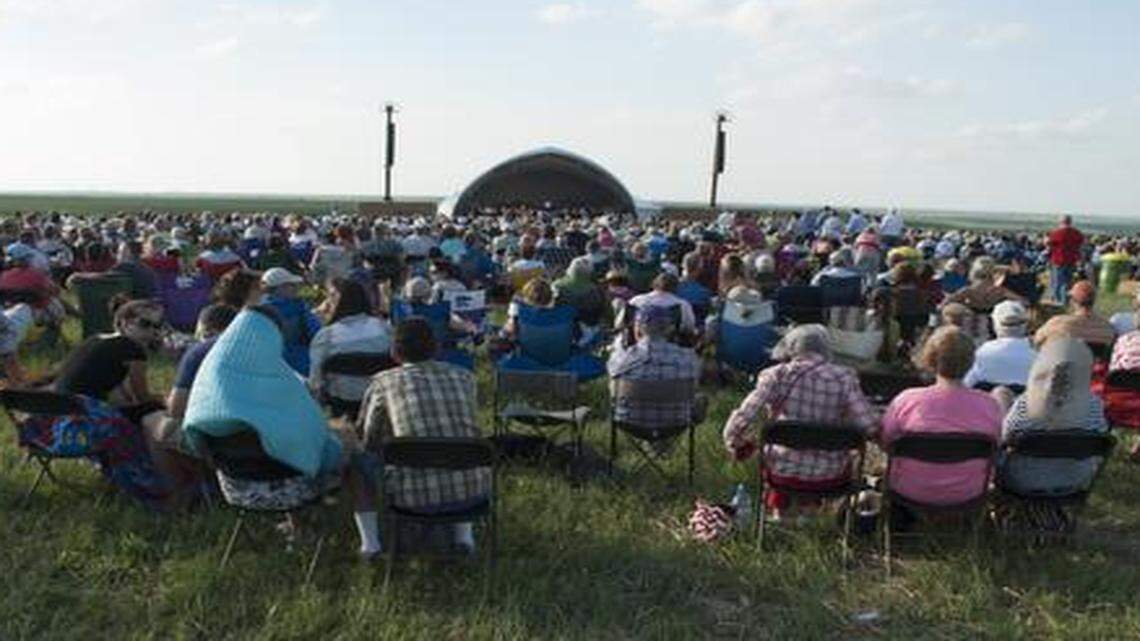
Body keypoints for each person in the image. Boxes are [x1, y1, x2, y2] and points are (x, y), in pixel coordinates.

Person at [182, 305, 375, 553]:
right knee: (350, 455)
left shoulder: (211, 377)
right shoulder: (279, 379)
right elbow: (312, 434)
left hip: (236, 487)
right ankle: (370, 541)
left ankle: (297, 527)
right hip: (291, 487)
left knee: (272, 446)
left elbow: (193, 432)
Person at [355, 318, 491, 553]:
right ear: (436, 348)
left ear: (394, 352)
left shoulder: (384, 382)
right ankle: (464, 538)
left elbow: (369, 440)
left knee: (356, 462)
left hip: (411, 499)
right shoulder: (465, 377)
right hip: (474, 492)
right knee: (454, 445)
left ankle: (370, 545)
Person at [722, 325, 877, 521]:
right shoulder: (844, 377)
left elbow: (745, 415)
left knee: (780, 449)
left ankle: (782, 516)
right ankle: (808, 518)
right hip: (831, 474)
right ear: (826, 348)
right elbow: (869, 425)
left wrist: (734, 442)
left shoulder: (776, 375)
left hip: (781, 470)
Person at [880, 327, 1003, 510]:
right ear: (970, 361)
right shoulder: (989, 404)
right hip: (970, 491)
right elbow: (997, 447)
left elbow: (886, 441)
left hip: (909, 488)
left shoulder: (906, 400)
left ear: (930, 359)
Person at [999, 338, 1108, 498]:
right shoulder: (1094, 405)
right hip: (1074, 480)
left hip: (1021, 480)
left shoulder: (1026, 403)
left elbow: (1006, 436)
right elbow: (1099, 436)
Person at [608, 305, 702, 430]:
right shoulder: (689, 358)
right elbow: (694, 387)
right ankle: (659, 446)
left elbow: (613, 389)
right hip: (676, 423)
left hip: (629, 422)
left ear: (638, 329)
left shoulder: (620, 358)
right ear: (669, 329)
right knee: (700, 399)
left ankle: (651, 446)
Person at [309, 278, 392, 404]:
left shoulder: (326, 337)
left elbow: (315, 381)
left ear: (336, 300)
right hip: (380, 400)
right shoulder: (385, 329)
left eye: (330, 296)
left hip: (340, 404)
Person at [260, 267, 323, 376]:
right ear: (280, 288)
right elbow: (318, 334)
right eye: (291, 285)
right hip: (302, 365)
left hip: (267, 368)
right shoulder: (298, 307)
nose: (296, 288)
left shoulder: (256, 309)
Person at [963, 301, 1037, 392]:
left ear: (994, 324)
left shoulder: (982, 352)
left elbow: (965, 385)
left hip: (986, 404)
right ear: (1026, 324)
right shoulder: (1039, 354)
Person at [1033, 280, 1115, 350]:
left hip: (1064, 366)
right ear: (1094, 301)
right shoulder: (1107, 328)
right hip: (1092, 367)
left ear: (1072, 301)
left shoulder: (1058, 323)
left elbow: (1036, 341)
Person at [627, 272, 697, 336]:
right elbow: (689, 328)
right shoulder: (683, 305)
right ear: (676, 287)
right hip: (672, 345)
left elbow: (625, 324)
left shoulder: (635, 301)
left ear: (654, 284)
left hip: (638, 344)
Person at [1046, 215, 1084, 305]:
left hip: (1058, 261)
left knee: (1058, 283)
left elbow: (1048, 245)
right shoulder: (1077, 233)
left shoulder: (1056, 233)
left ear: (1061, 222)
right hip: (1071, 260)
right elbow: (1081, 245)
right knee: (1068, 282)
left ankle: (1058, 302)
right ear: (1070, 222)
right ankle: (1066, 300)